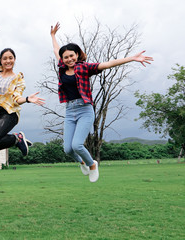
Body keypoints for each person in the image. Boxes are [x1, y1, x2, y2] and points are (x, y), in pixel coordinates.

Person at [50, 22, 153, 182]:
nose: (69, 59)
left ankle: (92, 165)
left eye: (72, 55)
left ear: (77, 55)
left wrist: (132, 58)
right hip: (70, 111)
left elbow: (108, 64)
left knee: (77, 145)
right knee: (68, 149)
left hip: (85, 110)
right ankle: (82, 162)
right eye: (66, 57)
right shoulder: (62, 68)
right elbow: (57, 51)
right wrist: (53, 36)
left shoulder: (84, 68)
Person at [0, 26, 45, 156]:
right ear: (1, 60)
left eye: (11, 58)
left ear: (14, 60)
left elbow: (16, 98)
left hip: (10, 113)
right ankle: (17, 140)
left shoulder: (18, 79)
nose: (8, 61)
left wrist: (27, 99)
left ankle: (17, 138)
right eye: (5, 58)